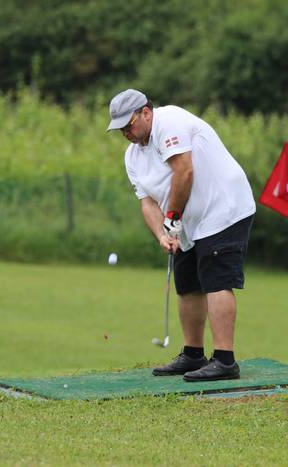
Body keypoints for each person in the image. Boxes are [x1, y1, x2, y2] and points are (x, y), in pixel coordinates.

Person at [107, 89, 256, 381]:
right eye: (120, 129)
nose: (125, 132)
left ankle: (225, 360)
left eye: (129, 125)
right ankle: (193, 354)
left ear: (146, 112)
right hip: (188, 221)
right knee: (187, 283)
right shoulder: (132, 156)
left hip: (224, 207)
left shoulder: (170, 121)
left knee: (216, 280)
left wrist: (172, 217)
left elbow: (184, 171)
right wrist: (163, 234)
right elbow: (147, 203)